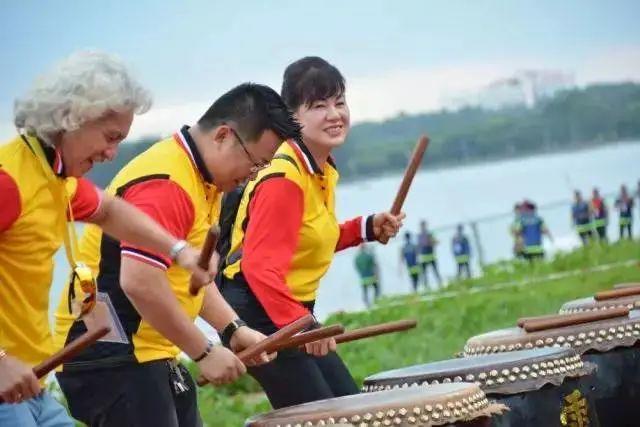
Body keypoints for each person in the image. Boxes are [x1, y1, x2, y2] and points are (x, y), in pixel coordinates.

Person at [53, 83, 301, 427]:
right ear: (224, 136)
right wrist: (204, 351)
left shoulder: (203, 180)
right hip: (110, 356)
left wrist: (232, 328)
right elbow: (140, 282)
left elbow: (192, 276)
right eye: (255, 162)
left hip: (149, 353)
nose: (251, 176)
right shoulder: (167, 184)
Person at [0, 51, 210, 427]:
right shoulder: (9, 182)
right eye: (110, 137)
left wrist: (178, 251)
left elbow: (109, 211)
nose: (112, 153)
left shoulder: (55, 180)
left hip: (31, 386)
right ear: (72, 117)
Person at [218, 56, 404, 409]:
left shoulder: (320, 169)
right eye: (318, 106)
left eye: (339, 102)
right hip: (258, 314)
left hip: (287, 311)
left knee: (348, 409)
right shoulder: (284, 176)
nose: (334, 114)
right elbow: (259, 267)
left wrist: (366, 228)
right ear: (292, 119)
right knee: (326, 416)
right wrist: (301, 325)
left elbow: (308, 238)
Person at [417, 220, 442, 290]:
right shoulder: (419, 236)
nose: (423, 227)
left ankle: (440, 284)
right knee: (424, 273)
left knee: (435, 271)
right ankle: (426, 286)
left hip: (431, 256)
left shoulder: (429, 234)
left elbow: (436, 242)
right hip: (424, 258)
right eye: (422, 226)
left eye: (424, 225)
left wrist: (431, 241)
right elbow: (418, 247)